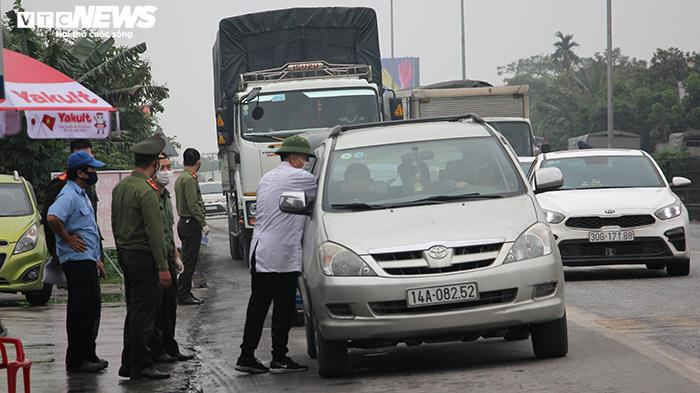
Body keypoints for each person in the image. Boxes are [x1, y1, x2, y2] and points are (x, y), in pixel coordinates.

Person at [236, 135, 317, 374]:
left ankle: (249, 354)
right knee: (282, 307)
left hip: (262, 250)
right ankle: (277, 356)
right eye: (303, 157)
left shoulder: (268, 178)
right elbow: (323, 192)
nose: (304, 162)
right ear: (293, 157)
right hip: (279, 254)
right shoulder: (300, 177)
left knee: (259, 307)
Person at [112, 135, 172, 380]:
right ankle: (142, 364)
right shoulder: (147, 192)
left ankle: (129, 362)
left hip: (126, 255)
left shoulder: (121, 188)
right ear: (154, 164)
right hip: (145, 257)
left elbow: (115, 224)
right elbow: (155, 233)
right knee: (145, 313)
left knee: (134, 311)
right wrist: (163, 267)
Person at [47, 151, 107, 374]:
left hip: (87, 260)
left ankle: (88, 355)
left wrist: (96, 259)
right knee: (80, 311)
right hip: (76, 262)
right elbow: (53, 217)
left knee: (90, 309)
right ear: (80, 172)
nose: (94, 172)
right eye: (91, 169)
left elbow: (88, 230)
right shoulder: (69, 195)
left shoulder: (81, 193)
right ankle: (77, 360)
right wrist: (68, 239)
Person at [150, 152, 194, 363]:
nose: (167, 171)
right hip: (156, 259)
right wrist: (162, 265)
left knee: (170, 308)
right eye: (163, 167)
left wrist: (176, 254)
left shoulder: (165, 195)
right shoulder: (150, 195)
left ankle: (170, 347)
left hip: (168, 254)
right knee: (158, 310)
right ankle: (159, 351)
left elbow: (167, 229)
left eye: (169, 166)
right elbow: (155, 232)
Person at [174, 148, 208, 305]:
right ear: (198, 162)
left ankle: (182, 291)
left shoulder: (181, 177)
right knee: (190, 261)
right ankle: (184, 294)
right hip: (191, 223)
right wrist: (203, 222)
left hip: (184, 222)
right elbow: (193, 204)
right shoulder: (189, 179)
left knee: (187, 259)